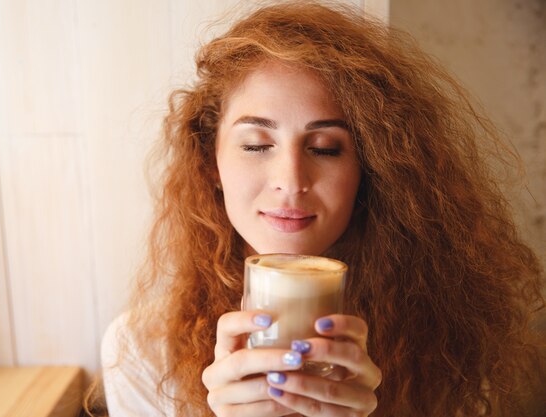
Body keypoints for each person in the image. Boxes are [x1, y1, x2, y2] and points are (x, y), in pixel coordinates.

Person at [92, 2, 545, 417]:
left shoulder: (446, 339)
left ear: (370, 167)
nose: (290, 180)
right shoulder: (142, 349)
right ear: (210, 162)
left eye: (326, 148)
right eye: (255, 145)